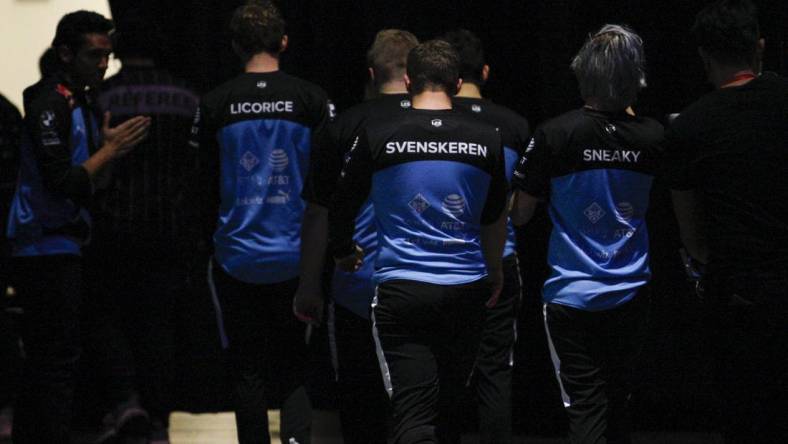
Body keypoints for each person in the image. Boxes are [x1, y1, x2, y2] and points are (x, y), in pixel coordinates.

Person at [328, 39, 508, 444]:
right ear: (458, 83)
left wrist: (343, 251)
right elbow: (495, 216)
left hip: (402, 292)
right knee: (449, 411)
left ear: (409, 81)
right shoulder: (487, 137)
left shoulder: (378, 133)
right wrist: (494, 269)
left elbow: (341, 204)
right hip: (467, 290)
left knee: (413, 413)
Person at [511, 25, 662, 444]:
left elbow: (520, 215)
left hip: (571, 298)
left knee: (586, 408)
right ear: (636, 78)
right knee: (618, 403)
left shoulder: (555, 135)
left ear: (583, 74)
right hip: (633, 295)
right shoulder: (654, 138)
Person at [189, 2, 332, 443]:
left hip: (236, 259)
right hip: (298, 258)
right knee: (293, 367)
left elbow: (201, 187)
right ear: (284, 42)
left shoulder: (214, 103)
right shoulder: (313, 100)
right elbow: (328, 184)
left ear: (235, 46)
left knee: (246, 368)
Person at [5, 10, 150, 443]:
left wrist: (106, 152)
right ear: (66, 54)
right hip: (44, 248)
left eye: (107, 55)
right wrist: (110, 151)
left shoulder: (79, 101)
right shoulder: (52, 102)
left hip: (63, 244)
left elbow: (87, 186)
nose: (104, 65)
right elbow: (62, 181)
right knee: (56, 363)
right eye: (93, 55)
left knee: (49, 360)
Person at [664, 1, 788, 441]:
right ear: (760, 48)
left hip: (739, 301)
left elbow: (692, 238)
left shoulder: (688, 127)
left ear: (704, 57)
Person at [79, 12, 201, 442]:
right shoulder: (186, 96)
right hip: (170, 227)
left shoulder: (103, 95)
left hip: (113, 226)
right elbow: (195, 166)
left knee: (109, 319)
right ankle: (160, 420)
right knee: (160, 328)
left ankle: (126, 402)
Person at [296, 29, 418, 444]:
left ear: (370, 73)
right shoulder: (449, 125)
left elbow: (318, 213)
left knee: (360, 407)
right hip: (428, 285)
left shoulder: (341, 126)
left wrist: (310, 284)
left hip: (357, 289)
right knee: (420, 409)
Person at [441, 28, 529, 444]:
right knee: (495, 373)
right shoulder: (514, 126)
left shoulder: (431, 123)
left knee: (445, 374)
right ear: (486, 72)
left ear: (450, 77)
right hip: (501, 261)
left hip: (445, 264)